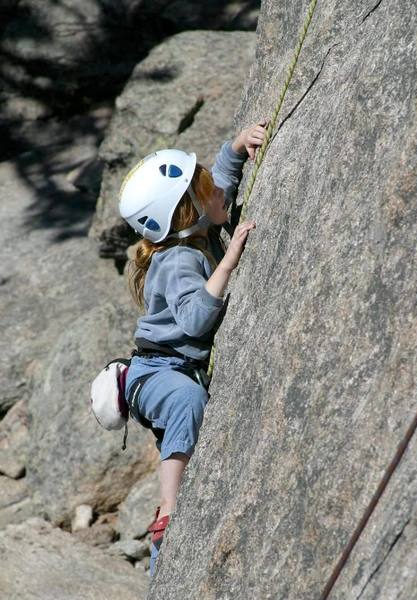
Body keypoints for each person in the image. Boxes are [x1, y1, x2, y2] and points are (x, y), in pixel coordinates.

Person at [119, 121, 267, 576]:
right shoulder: (181, 258)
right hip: (158, 375)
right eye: (202, 187)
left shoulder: (192, 225)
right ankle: (168, 510)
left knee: (182, 417)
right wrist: (227, 263)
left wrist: (237, 147)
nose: (216, 191)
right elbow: (196, 320)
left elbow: (218, 187)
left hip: (163, 371)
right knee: (188, 401)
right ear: (187, 211)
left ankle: (160, 571)